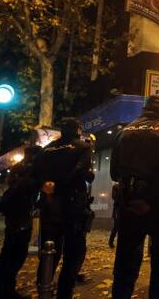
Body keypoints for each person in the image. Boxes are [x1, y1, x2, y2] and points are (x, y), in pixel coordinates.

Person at [110, 94, 159, 299]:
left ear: (143, 109)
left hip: (129, 203)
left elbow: (114, 173)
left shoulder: (123, 132)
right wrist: (151, 199)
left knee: (125, 262)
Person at [33, 118, 94, 299]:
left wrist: (47, 186)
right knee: (73, 253)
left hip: (49, 205)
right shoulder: (82, 147)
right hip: (73, 205)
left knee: (49, 252)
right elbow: (81, 172)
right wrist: (63, 185)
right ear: (77, 130)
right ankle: (64, 292)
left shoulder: (47, 149)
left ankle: (44, 287)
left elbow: (34, 172)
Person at [0, 145, 42, 299]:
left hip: (14, 217)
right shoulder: (30, 173)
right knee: (15, 254)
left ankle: (2, 289)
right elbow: (30, 189)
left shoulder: (17, 169)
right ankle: (4, 291)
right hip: (20, 217)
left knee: (9, 253)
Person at [108, 182, 121, 249]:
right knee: (116, 226)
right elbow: (114, 197)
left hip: (119, 208)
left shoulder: (116, 187)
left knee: (117, 226)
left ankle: (111, 241)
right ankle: (111, 241)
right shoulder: (116, 187)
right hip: (118, 208)